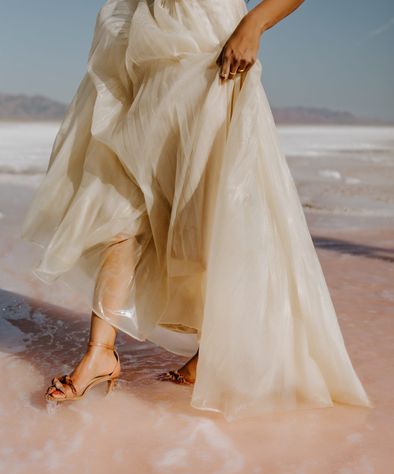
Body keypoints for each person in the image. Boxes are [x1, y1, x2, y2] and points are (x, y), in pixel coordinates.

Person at [20, 0, 373, 421]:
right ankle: (100, 353)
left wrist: (254, 25)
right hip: (144, 58)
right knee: (119, 206)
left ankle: (215, 352)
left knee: (208, 212)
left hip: (212, 57)